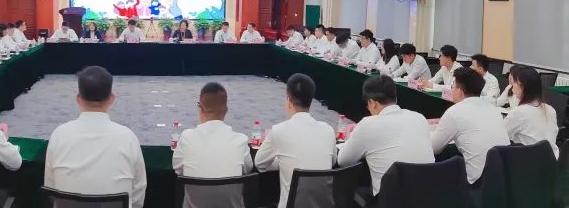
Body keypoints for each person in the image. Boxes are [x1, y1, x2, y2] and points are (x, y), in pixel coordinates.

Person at [45, 66, 147, 207]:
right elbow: (138, 193)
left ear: (78, 99)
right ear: (111, 98)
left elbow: (51, 188)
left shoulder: (59, 135)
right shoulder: (128, 137)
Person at [337, 76, 433, 197]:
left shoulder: (368, 124)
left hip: (391, 200)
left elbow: (343, 161)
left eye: (368, 105)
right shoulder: (419, 117)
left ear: (372, 103)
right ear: (395, 98)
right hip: (427, 196)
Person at [255, 73, 336, 208]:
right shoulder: (328, 130)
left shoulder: (279, 131)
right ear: (311, 100)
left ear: (288, 99)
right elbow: (332, 162)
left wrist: (282, 160)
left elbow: (260, 164)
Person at [430, 67, 510, 184]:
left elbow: (434, 148)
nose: (451, 90)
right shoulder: (493, 109)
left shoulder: (455, 112)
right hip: (504, 178)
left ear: (460, 91)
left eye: (453, 87)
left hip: (479, 183)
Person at [172, 82, 253, 178]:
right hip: (232, 189)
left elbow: (177, 169)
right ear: (226, 110)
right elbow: (247, 169)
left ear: (200, 109)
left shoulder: (186, 138)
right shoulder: (241, 140)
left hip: (194, 189)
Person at [504, 66, 559, 157]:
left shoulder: (519, 112)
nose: (512, 87)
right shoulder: (551, 109)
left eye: (513, 83)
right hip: (552, 160)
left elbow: (501, 136)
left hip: (530, 161)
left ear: (522, 85)